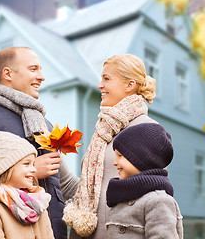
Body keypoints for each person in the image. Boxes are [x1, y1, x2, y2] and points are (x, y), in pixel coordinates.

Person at [0, 47, 79, 239]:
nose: (42, 76)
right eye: (33, 69)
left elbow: (67, 184)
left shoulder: (44, 125)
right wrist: (29, 170)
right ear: (8, 73)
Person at [63, 54, 157, 238]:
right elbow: (92, 188)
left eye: (106, 79)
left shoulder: (147, 129)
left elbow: (155, 192)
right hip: (90, 230)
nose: (100, 85)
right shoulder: (105, 129)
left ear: (129, 85)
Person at [0, 131, 54, 239]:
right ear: (7, 168)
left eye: (33, 164)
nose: (34, 170)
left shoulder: (38, 204)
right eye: (26, 164)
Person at [106, 123, 183, 238]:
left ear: (141, 158)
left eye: (120, 155)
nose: (115, 162)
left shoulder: (158, 200)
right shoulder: (122, 196)